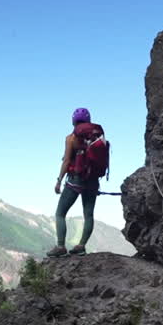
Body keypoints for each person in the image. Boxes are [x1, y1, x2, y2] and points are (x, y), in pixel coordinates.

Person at [48, 107, 100, 257]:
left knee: (60, 214)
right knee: (88, 214)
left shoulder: (70, 138)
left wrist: (59, 181)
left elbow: (66, 161)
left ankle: (60, 247)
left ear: (73, 121)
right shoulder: (97, 137)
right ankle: (81, 246)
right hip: (92, 180)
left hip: (75, 180)